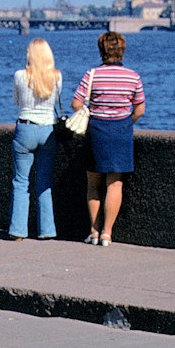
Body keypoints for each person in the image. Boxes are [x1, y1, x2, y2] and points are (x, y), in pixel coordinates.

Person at [71, 31, 145, 246]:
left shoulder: (92, 74)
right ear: (122, 51)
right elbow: (139, 109)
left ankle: (93, 231)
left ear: (102, 51)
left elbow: (76, 103)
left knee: (93, 184)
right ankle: (107, 233)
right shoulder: (133, 76)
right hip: (121, 131)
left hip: (96, 131)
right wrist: (126, 121)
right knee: (115, 183)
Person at [8, 38, 63, 241]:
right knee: (44, 182)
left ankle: (18, 230)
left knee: (21, 181)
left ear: (30, 55)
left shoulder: (20, 76)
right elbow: (57, 99)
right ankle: (47, 230)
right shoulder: (57, 77)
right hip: (48, 131)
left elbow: (16, 101)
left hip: (25, 128)